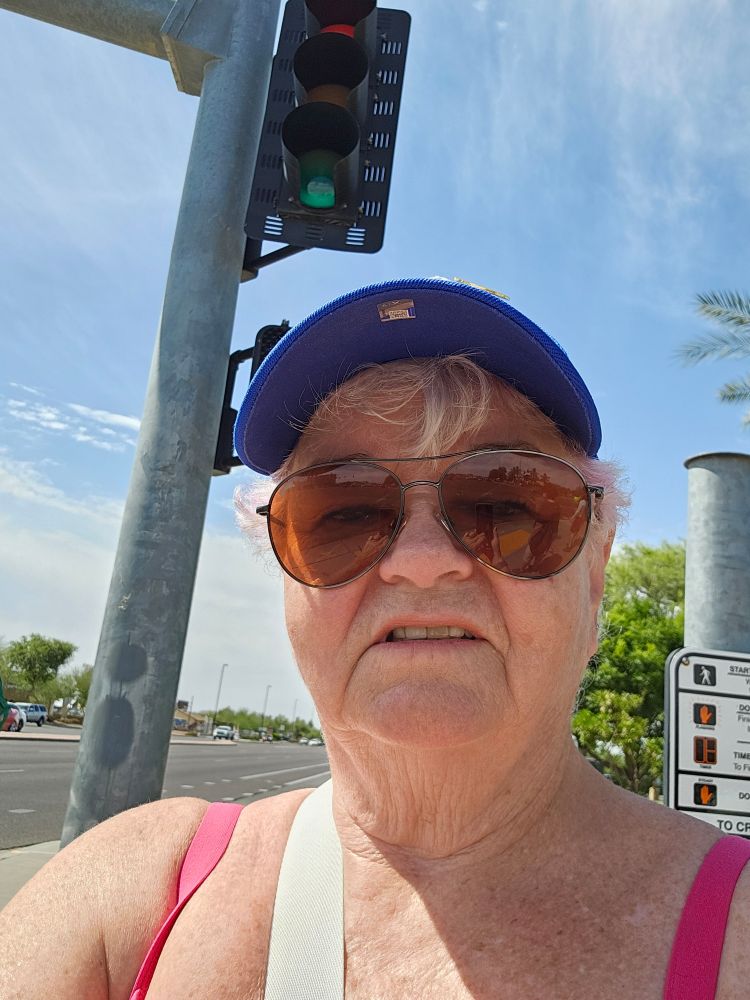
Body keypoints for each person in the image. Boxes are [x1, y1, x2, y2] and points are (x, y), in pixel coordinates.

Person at [1, 277, 748, 999]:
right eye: (343, 512)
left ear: (594, 574)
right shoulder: (128, 897)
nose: (420, 562)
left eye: (505, 503)